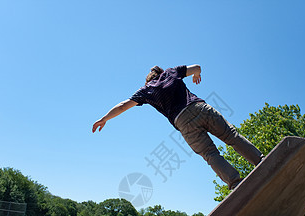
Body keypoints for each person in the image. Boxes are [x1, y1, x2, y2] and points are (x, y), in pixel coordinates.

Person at [92, 64, 264, 190]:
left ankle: (236, 183)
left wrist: (104, 118)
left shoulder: (146, 90)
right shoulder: (171, 72)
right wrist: (197, 74)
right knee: (231, 137)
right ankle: (261, 161)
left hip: (183, 122)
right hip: (199, 108)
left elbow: (123, 105)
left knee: (210, 154)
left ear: (148, 80)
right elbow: (196, 67)